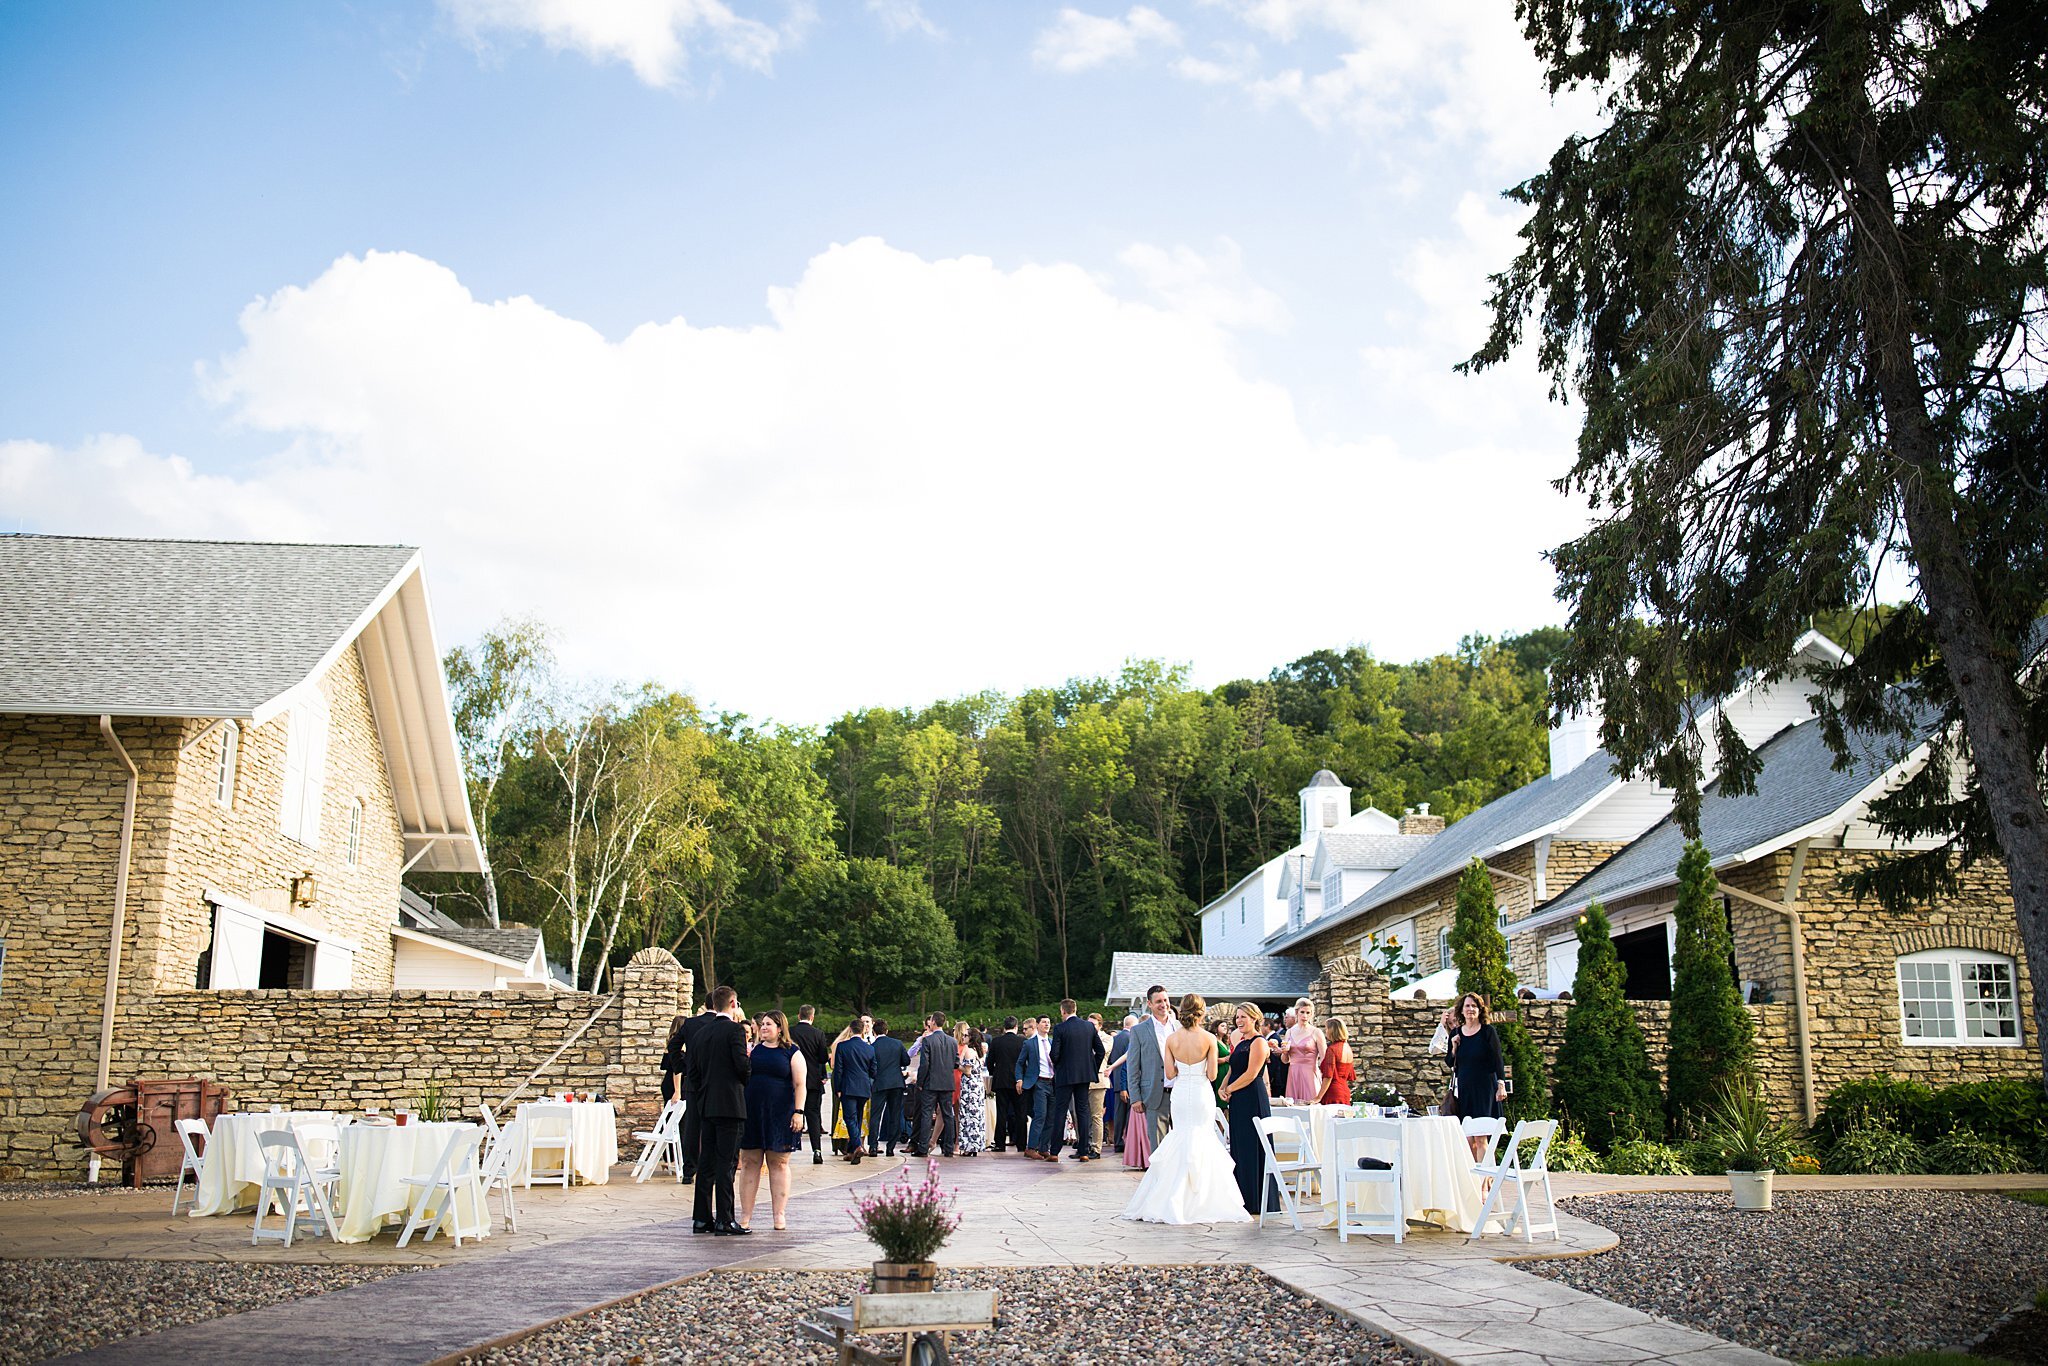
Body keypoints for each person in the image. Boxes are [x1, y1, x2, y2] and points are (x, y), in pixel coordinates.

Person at [1119, 995, 1252, 1225]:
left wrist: (1184, 1069)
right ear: (1202, 1012)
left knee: (1180, 1137)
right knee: (1202, 1138)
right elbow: (1211, 1075)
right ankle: (1202, 1200)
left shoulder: (1172, 1038)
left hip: (1180, 1094)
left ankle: (1169, 1196)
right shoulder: (1209, 1038)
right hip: (1201, 1093)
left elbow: (1169, 1074)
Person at [686, 985, 751, 1235]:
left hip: (706, 1104)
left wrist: (703, 1093)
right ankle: (725, 1218)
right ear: (733, 1004)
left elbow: (692, 1070)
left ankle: (701, 1218)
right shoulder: (734, 1031)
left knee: (707, 1162)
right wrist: (744, 1080)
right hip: (730, 1104)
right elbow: (741, 1064)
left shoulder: (701, 1033)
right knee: (727, 1163)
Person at [737, 1010, 805, 1231]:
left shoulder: (792, 1052)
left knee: (779, 1163)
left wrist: (799, 1111)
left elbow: (800, 1084)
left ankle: (779, 1215)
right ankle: (745, 1215)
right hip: (753, 1112)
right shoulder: (753, 1051)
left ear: (780, 1028)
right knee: (749, 1162)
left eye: (768, 1024)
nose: (763, 1027)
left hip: (781, 1113)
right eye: (762, 1024)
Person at [1219, 1002, 1276, 1216]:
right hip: (1237, 1098)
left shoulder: (1259, 1042)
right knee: (1240, 1146)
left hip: (1252, 1098)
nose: (1239, 1021)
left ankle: (1258, 1199)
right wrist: (1223, 1088)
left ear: (1254, 1018)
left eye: (1244, 1017)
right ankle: (1242, 1197)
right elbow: (1233, 1068)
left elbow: (1252, 1074)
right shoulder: (1241, 1041)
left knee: (1254, 1145)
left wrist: (1230, 1089)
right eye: (1237, 1017)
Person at [1446, 992, 1507, 1159]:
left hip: (1485, 1090)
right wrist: (1453, 1047)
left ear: (1480, 1010)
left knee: (1481, 1139)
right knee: (1467, 1140)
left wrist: (1501, 1085)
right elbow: (1450, 1062)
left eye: (1474, 1006)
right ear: (1461, 1010)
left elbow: (1497, 1059)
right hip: (1464, 1091)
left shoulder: (1488, 1032)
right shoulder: (1456, 1033)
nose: (1470, 1009)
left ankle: (1486, 1181)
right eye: (1467, 1006)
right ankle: (1474, 1181)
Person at [1045, 998, 1106, 1161]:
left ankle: (1054, 1152)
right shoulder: (1089, 1027)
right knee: (1083, 1111)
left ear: (1063, 1011)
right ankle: (1084, 1151)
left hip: (1065, 1075)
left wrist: (1058, 1066)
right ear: (1076, 1009)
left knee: (1060, 1111)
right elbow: (1100, 1051)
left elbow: (1054, 1054)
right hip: (1084, 1075)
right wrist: (1092, 1068)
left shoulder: (1060, 1028)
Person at [1123, 985, 1177, 1154]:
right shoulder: (1139, 1030)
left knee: (1181, 1146)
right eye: (1159, 1001)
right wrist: (1135, 1097)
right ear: (1150, 1004)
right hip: (1153, 1095)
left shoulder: (1180, 1027)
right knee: (1158, 1148)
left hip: (1180, 1094)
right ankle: (1160, 1179)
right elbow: (1132, 1066)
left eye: (1166, 1000)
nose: (1164, 1004)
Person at [676, 1001, 718, 1183]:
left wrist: (682, 1066)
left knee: (692, 1127)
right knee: (715, 1125)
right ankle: (712, 1168)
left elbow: (673, 1045)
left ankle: (689, 1170)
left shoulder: (690, 1024)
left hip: (693, 1082)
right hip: (717, 1083)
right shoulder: (725, 1026)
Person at [911, 1011, 960, 1157]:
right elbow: (956, 1062)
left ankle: (923, 1148)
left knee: (927, 1114)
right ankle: (949, 1147)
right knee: (948, 1115)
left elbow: (924, 1064)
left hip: (931, 1083)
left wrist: (920, 1082)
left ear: (933, 1022)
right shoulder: (952, 1041)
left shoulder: (928, 1040)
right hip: (947, 1082)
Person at [787, 1004, 831, 1167]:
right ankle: (817, 1150)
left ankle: (787, 1147)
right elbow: (822, 1058)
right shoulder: (818, 1034)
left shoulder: (791, 1032)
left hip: (792, 1078)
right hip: (811, 1079)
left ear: (799, 1016)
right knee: (813, 1114)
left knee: (791, 1113)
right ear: (812, 1017)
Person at [833, 1020, 877, 1164]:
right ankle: (852, 1151)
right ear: (863, 1030)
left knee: (850, 1118)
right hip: (863, 1087)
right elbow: (873, 1071)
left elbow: (838, 1070)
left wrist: (837, 1088)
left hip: (848, 1086)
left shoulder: (842, 1046)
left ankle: (857, 1146)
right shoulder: (869, 1049)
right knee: (857, 1118)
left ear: (850, 1030)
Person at [869, 1019, 911, 1158]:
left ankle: (873, 1146)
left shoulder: (872, 1046)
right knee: (894, 1115)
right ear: (886, 1030)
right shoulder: (897, 1044)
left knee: (875, 1116)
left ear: (874, 1032)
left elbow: (870, 1066)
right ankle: (890, 1147)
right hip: (896, 1082)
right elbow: (906, 1061)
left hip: (879, 1083)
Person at [986, 1016, 1025, 1153]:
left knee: (1001, 1112)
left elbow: (989, 1062)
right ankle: (1021, 1144)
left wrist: (994, 1073)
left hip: (1001, 1080)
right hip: (1018, 1081)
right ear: (1016, 1027)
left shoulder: (997, 1042)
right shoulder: (1022, 1041)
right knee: (1020, 1113)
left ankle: (1000, 1143)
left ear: (1004, 1027)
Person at [1014, 1017, 1052, 1158]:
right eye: (1043, 1022)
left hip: (1052, 1082)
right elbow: (1020, 1063)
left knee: (1051, 1117)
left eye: (1048, 1022)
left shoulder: (1052, 1042)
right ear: (1037, 1025)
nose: (1047, 1024)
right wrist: (1019, 1079)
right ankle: (1031, 1148)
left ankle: (1043, 1147)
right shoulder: (1029, 1044)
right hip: (1038, 1082)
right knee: (1040, 1114)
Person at [1283, 998, 1326, 1103]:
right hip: (1293, 1073)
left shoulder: (1316, 1032)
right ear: (1297, 1012)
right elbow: (1285, 1060)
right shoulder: (1289, 1032)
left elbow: (1324, 1058)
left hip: (1310, 1074)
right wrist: (1284, 1051)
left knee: (1311, 1107)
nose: (1305, 1016)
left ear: (1311, 1014)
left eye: (1308, 1013)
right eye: (1302, 1012)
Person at [956, 1027, 990, 1156]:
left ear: (970, 1037)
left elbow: (967, 1071)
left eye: (965, 1035)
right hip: (977, 1084)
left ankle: (969, 1146)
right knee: (976, 1117)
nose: (963, 1037)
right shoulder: (978, 1051)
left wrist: (957, 1065)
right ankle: (975, 1146)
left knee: (968, 1116)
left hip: (970, 1086)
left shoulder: (969, 1051)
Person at [1103, 1015, 1135, 1151]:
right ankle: (1126, 1141)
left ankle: (1117, 1141)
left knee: (1118, 1113)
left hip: (1114, 1079)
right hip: (1126, 1081)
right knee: (1128, 1114)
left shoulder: (1115, 1039)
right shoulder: (1131, 1038)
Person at [1317, 1017, 1356, 1106]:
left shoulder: (1332, 1049)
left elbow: (1328, 1076)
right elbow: (1349, 1075)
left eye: (1326, 1029)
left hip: (1333, 1092)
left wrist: (1318, 1097)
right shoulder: (1348, 1048)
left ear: (1332, 1030)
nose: (1325, 1031)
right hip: (1345, 1092)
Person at [660, 1013, 689, 1106]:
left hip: (668, 1082)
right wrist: (677, 1091)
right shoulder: (679, 1047)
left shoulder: (670, 1044)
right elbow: (677, 1070)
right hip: (676, 1084)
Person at [1264, 1010, 1291, 1097]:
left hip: (1275, 1079)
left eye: (1260, 1026)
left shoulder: (1275, 1039)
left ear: (1267, 1026)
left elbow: (1275, 1062)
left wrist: (1271, 1078)